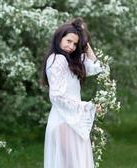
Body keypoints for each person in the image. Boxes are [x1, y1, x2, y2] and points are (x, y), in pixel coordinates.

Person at [42, 17, 104, 168]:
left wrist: (84, 41)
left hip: (72, 120)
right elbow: (57, 96)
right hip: (63, 121)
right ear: (59, 38)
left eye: (75, 44)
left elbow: (96, 67)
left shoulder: (70, 61)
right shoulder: (57, 60)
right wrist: (88, 107)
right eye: (68, 41)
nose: (71, 46)